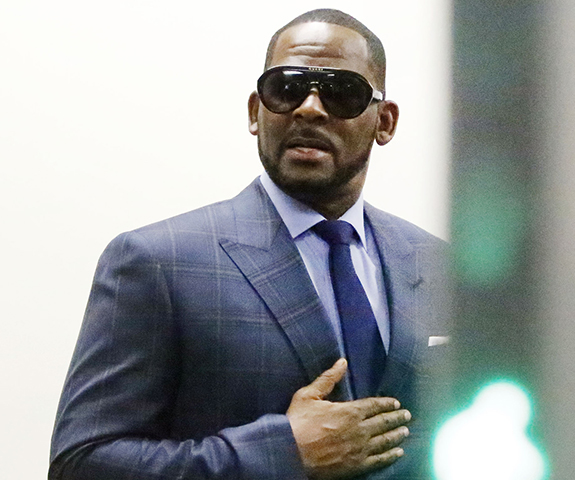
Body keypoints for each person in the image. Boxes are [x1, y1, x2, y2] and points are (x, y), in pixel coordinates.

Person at [49, 8, 449, 480]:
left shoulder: (439, 266)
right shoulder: (156, 263)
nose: (309, 108)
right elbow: (81, 463)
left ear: (385, 122)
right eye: (287, 89)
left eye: (341, 92)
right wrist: (282, 453)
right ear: (256, 112)